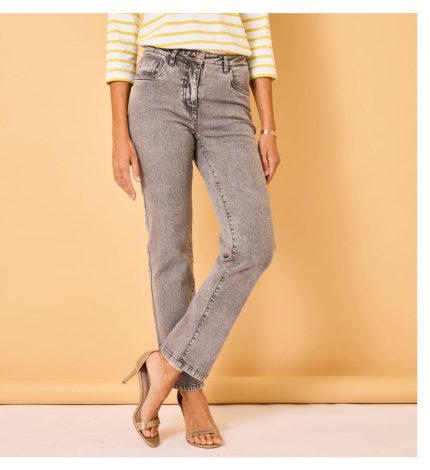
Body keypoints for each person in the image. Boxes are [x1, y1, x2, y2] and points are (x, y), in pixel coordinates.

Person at [107, 13, 280, 449]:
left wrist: (268, 127)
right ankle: (191, 392)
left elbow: (258, 31)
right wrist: (118, 134)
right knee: (169, 246)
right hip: (157, 85)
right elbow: (121, 34)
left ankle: (165, 366)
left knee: (253, 244)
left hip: (229, 88)